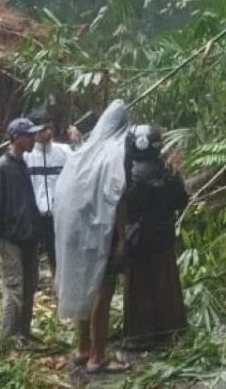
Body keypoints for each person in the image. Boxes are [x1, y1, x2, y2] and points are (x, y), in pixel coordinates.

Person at [53, 101, 133, 373]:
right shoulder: (115, 152)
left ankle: (82, 348)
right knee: (103, 291)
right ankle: (98, 357)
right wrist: (122, 236)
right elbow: (117, 195)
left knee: (81, 283)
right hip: (100, 231)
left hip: (74, 232)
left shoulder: (83, 152)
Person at [121, 124, 189, 350]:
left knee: (139, 285)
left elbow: (122, 206)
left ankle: (139, 335)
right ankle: (169, 332)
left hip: (137, 239)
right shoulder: (169, 171)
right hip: (163, 237)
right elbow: (182, 200)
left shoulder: (128, 174)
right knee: (164, 282)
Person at [0, 117, 43, 346]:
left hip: (28, 237)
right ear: (17, 138)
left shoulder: (21, 163)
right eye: (30, 135)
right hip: (11, 239)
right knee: (14, 290)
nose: (34, 138)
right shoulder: (3, 168)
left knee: (30, 287)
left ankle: (23, 336)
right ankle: (6, 342)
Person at [26, 108, 69, 282]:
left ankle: (58, 287)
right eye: (44, 129)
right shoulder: (26, 155)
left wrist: (79, 144)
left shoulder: (64, 152)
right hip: (33, 215)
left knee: (56, 255)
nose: (49, 133)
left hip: (57, 214)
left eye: (50, 128)